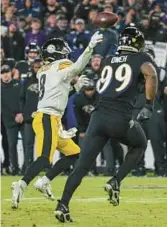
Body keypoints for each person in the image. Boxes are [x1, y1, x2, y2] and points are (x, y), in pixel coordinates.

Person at [54, 26, 158, 223]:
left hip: (98, 117)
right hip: (120, 117)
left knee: (82, 166)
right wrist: (149, 105)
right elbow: (151, 74)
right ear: (137, 44)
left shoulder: (108, 60)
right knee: (140, 144)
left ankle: (63, 204)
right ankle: (116, 181)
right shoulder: (141, 58)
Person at [11, 32, 103, 209]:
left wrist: (74, 86)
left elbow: (57, 91)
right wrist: (90, 47)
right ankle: (21, 184)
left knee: (73, 153)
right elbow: (77, 68)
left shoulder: (44, 71)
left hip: (51, 117)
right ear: (55, 53)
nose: (65, 55)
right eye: (62, 51)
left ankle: (44, 181)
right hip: (47, 117)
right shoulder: (59, 67)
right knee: (45, 159)